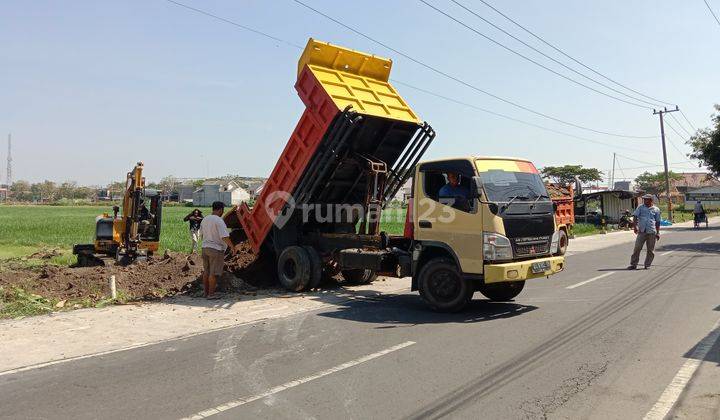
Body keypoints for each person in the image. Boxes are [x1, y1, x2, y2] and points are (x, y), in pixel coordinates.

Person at [199, 201, 237, 299]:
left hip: (205, 248)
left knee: (206, 272)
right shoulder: (219, 221)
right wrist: (232, 247)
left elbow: (201, 234)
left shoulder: (205, 219)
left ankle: (205, 293)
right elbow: (224, 236)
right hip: (215, 249)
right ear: (221, 209)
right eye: (222, 210)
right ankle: (211, 295)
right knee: (213, 273)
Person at [628, 194, 661, 270]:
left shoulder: (656, 209)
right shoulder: (640, 207)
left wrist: (658, 232)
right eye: (644, 199)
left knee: (650, 250)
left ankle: (647, 264)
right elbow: (635, 216)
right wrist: (635, 227)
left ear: (651, 200)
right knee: (637, 248)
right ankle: (633, 264)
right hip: (642, 231)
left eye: (647, 199)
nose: (645, 201)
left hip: (652, 231)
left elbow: (658, 221)